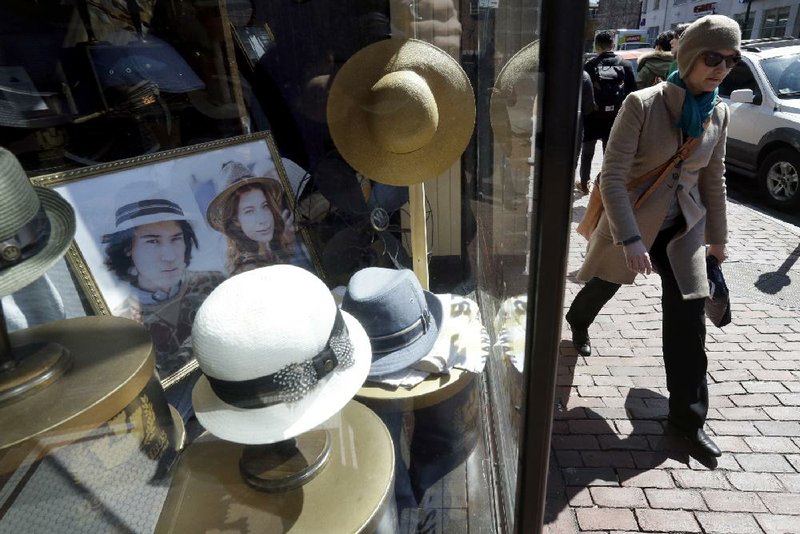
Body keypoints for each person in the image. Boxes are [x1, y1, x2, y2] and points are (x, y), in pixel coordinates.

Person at [566, 15, 741, 458]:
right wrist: (629, 239)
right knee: (605, 283)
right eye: (712, 57)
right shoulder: (642, 105)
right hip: (634, 222)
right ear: (687, 56)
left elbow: (712, 179)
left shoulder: (718, 111)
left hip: (682, 229)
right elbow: (614, 178)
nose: (721, 67)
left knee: (688, 322)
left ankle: (687, 419)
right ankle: (577, 319)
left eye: (731, 59)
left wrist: (718, 237)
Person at [103, 184, 225, 418]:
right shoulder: (121, 322)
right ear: (128, 248)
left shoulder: (214, 283)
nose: (169, 255)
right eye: (153, 241)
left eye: (176, 239)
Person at [206, 160, 312, 276]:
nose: (262, 219)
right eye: (249, 211)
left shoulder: (267, 249)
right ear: (235, 220)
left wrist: (286, 245)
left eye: (265, 206)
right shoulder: (248, 270)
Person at [577, 31, 637, 194]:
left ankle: (584, 183)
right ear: (613, 45)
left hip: (592, 116)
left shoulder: (590, 65)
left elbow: (583, 91)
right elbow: (632, 92)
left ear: (597, 46)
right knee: (609, 152)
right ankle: (605, 185)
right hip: (615, 117)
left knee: (587, 152)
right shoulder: (625, 65)